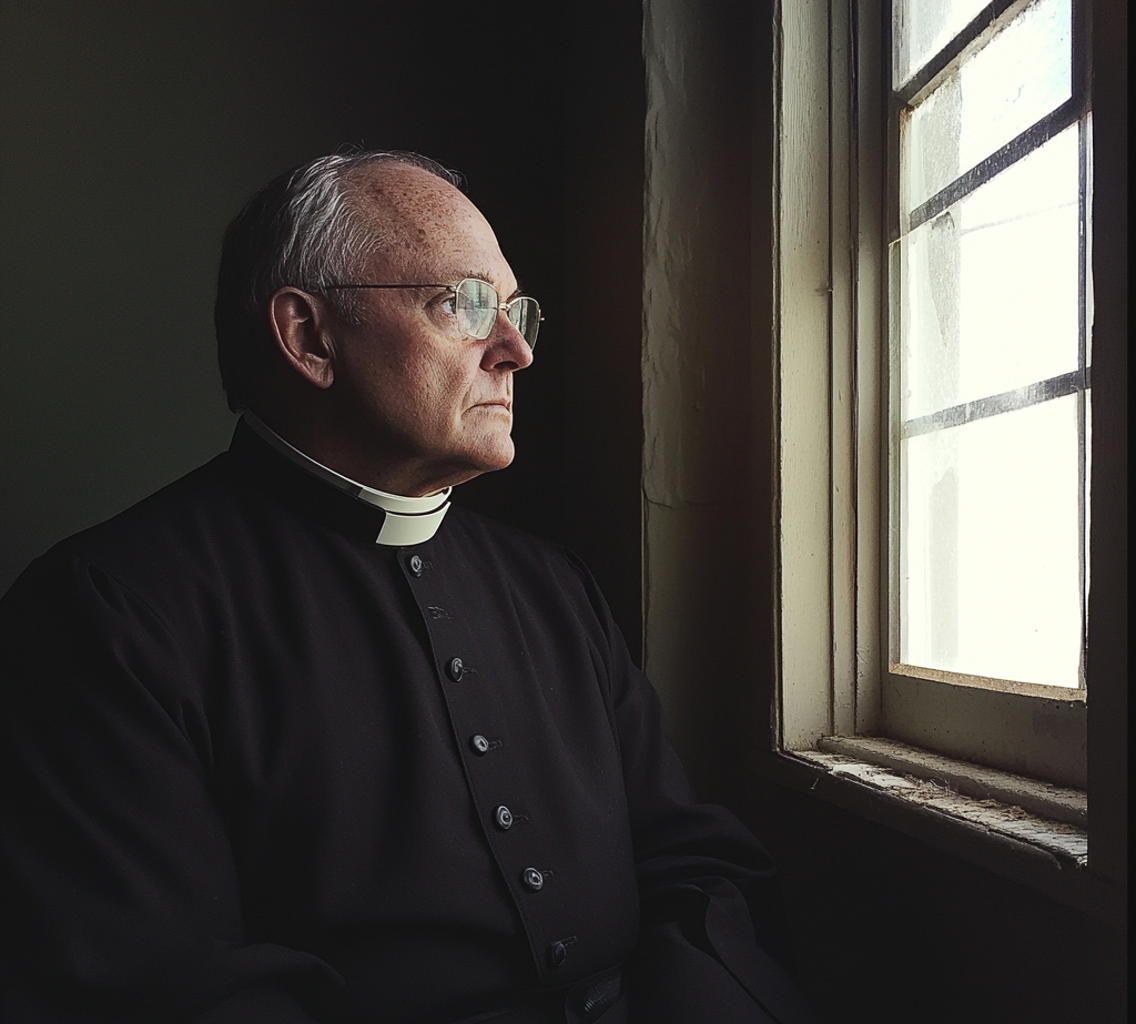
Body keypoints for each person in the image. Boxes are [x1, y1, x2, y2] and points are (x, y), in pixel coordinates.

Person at [0, 151, 818, 1023]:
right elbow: (161, 986)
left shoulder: (553, 586)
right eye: (462, 304)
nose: (515, 350)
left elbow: (694, 866)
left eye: (515, 311)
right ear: (309, 336)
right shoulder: (102, 611)